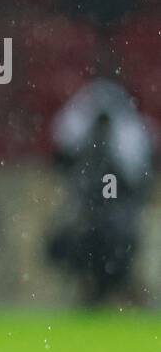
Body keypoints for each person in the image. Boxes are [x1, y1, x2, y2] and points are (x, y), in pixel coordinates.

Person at [47, 62, 153, 304]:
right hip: (90, 213)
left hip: (116, 215)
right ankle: (94, 290)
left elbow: (135, 177)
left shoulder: (128, 127)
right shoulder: (84, 113)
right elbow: (63, 151)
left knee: (113, 246)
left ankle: (113, 291)